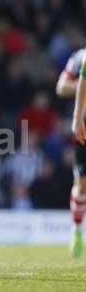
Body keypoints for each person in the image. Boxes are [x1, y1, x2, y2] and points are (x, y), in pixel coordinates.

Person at [66, 49, 86, 258]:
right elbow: (63, 86)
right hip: (85, 126)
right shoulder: (83, 57)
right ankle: (77, 229)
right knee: (81, 184)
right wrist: (77, 117)